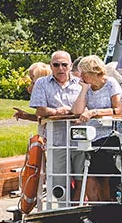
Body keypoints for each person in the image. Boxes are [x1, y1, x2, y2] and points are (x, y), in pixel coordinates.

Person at [29, 51, 83, 204]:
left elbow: (89, 105)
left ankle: (76, 209)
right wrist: (55, 112)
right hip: (56, 141)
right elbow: (39, 109)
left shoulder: (80, 84)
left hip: (79, 139)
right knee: (59, 182)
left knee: (81, 178)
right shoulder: (42, 83)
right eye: (56, 65)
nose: (61, 68)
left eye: (64, 65)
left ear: (70, 66)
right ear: (51, 66)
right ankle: (62, 209)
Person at [71, 56, 122, 203]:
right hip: (92, 137)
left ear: (92, 72)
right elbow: (77, 111)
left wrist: (94, 112)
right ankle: (98, 204)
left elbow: (118, 109)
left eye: (83, 73)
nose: (80, 76)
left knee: (102, 176)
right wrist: (84, 90)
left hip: (110, 135)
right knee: (93, 175)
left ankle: (107, 203)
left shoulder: (110, 83)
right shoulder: (88, 88)